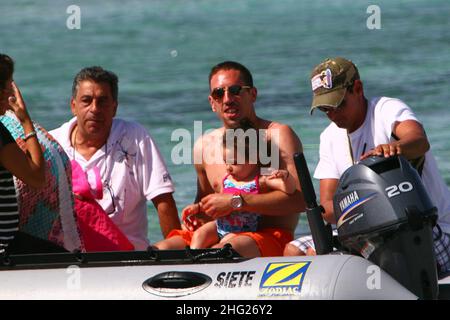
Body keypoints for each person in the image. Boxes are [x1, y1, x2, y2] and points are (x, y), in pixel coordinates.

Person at [284, 57, 450, 277]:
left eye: (338, 104)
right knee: (294, 250)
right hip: (366, 233)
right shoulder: (329, 138)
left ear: (358, 88)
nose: (333, 115)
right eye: (325, 109)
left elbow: (419, 141)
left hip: (427, 229)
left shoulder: (386, 110)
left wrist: (395, 148)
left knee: (339, 259)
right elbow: (328, 206)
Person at [156, 61, 305, 257]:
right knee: (161, 250)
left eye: (235, 90)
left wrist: (237, 202)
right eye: (219, 93)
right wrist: (197, 214)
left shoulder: (276, 136)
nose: (227, 99)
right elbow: (208, 202)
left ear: (252, 94)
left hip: (266, 237)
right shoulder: (204, 145)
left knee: (219, 253)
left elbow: (301, 201)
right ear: (212, 102)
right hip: (220, 232)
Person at [50, 66, 181, 250]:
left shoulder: (135, 138)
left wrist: (179, 256)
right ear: (73, 106)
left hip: (128, 257)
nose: (95, 109)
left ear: (114, 107)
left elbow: (163, 199)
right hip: (69, 258)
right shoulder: (52, 145)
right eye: (86, 101)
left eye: (103, 101)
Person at [168, 124, 296, 250]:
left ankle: (206, 259)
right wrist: (197, 208)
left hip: (242, 231)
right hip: (220, 225)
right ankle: (194, 258)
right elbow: (217, 200)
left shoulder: (261, 179)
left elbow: (290, 190)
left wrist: (286, 177)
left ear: (254, 157)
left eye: (234, 162)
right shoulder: (228, 179)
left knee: (224, 244)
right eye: (226, 161)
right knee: (199, 234)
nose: (228, 167)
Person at [0, 53, 45, 253]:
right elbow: (36, 177)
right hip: (4, 246)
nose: (12, 91)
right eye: (10, 85)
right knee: (68, 262)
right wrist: (25, 121)